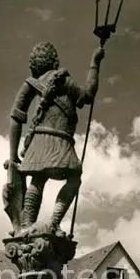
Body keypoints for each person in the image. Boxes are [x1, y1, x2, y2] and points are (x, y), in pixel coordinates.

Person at [7, 41, 105, 234]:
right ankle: (54, 222)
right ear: (54, 61)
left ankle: (27, 225)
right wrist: (95, 62)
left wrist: (13, 156)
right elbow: (88, 95)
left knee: (38, 179)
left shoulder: (31, 83)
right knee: (74, 178)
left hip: (41, 140)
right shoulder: (65, 81)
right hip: (61, 141)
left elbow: (15, 117)